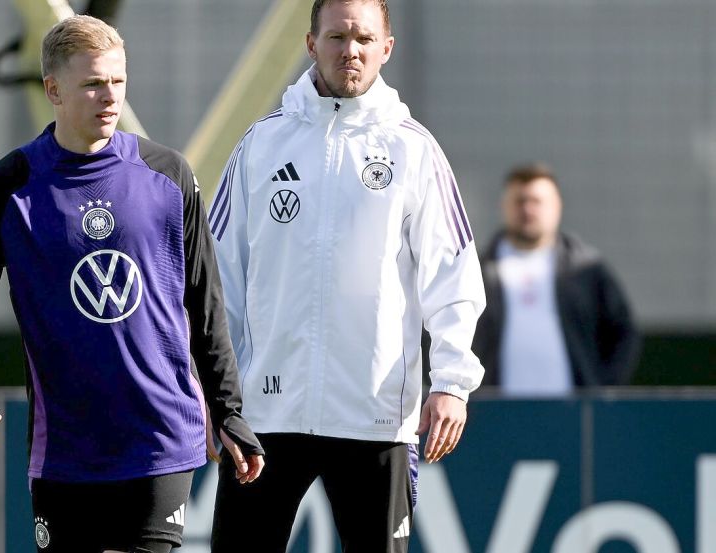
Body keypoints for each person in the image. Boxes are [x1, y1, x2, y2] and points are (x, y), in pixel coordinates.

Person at [0, 15, 263, 553]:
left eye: (117, 81)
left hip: (161, 441)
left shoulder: (170, 176)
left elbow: (205, 304)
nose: (108, 96)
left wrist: (228, 412)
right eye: (92, 83)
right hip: (65, 451)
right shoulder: (5, 189)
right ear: (53, 91)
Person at [207, 1, 486, 551]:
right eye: (336, 37)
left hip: (374, 415)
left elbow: (454, 274)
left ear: (387, 46)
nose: (349, 50)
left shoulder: (414, 150)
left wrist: (452, 381)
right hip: (268, 410)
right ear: (311, 44)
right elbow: (218, 278)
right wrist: (216, 393)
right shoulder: (261, 145)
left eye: (363, 38)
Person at [472, 163, 640, 396]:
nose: (528, 210)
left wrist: (600, 388)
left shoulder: (586, 268)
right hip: (494, 411)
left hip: (572, 411)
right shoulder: (476, 270)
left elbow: (623, 332)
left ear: (557, 207)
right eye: (520, 201)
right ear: (504, 206)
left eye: (537, 201)